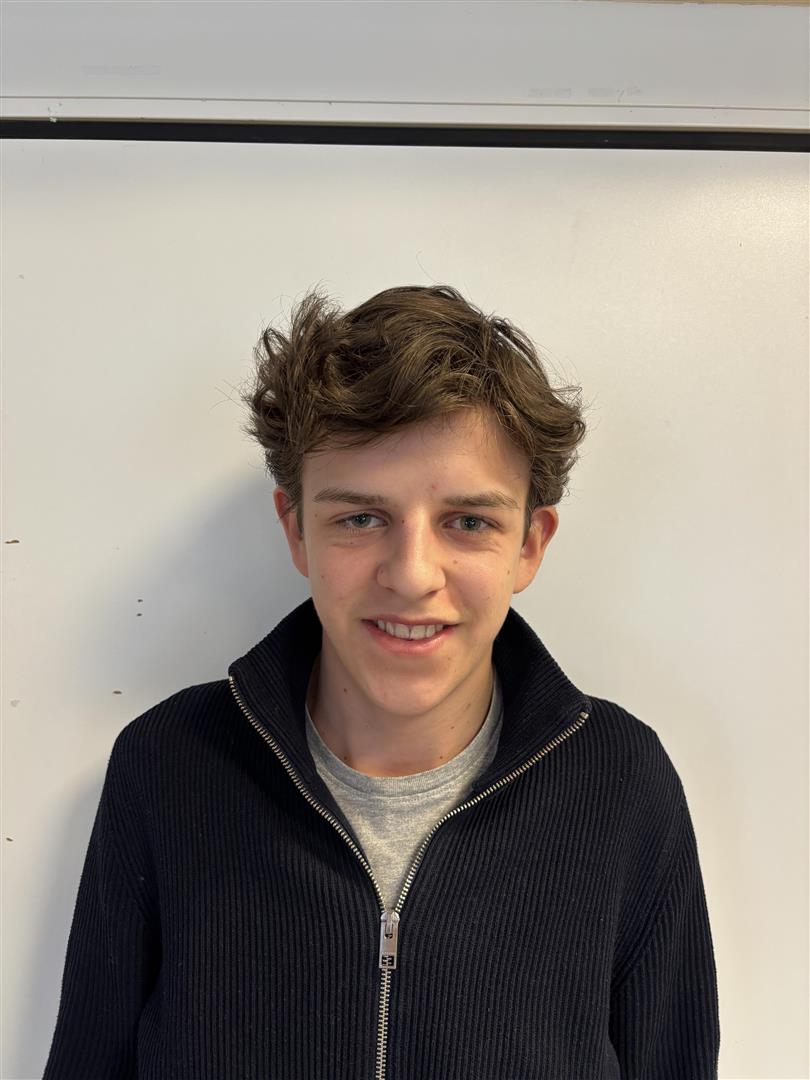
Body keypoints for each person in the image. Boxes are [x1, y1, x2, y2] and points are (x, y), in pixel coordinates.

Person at [43, 284, 720, 1079]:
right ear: (297, 530)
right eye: (361, 518)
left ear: (530, 545)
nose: (412, 574)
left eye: (469, 522)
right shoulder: (166, 765)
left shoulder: (622, 783)